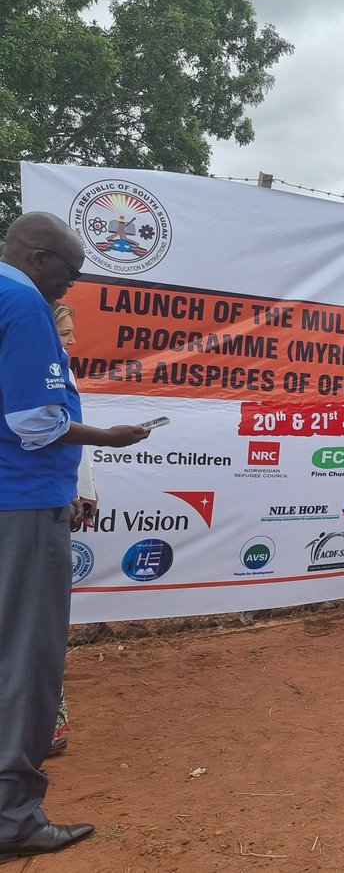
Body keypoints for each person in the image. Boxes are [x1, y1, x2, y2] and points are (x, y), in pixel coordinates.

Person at [0, 211, 150, 861]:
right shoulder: (22, 301)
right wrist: (108, 438)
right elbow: (34, 421)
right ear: (36, 256)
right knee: (28, 657)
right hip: (24, 502)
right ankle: (12, 815)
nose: (71, 286)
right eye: (68, 271)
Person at [46, 301, 100, 758]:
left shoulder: (64, 370)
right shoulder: (25, 366)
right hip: (27, 505)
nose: (72, 342)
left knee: (41, 619)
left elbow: (72, 438)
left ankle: (48, 723)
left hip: (55, 501)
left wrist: (83, 492)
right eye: (64, 334)